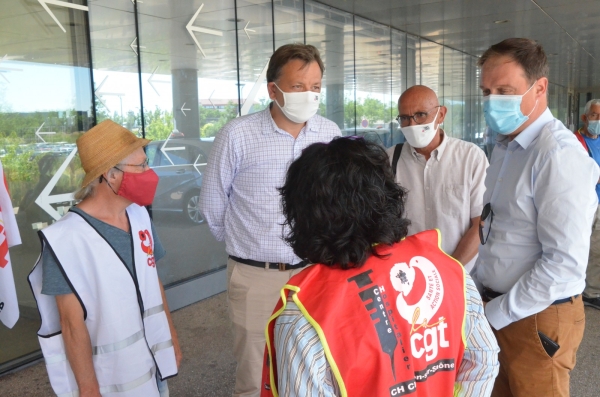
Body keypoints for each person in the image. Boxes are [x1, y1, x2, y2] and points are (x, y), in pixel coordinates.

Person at [261, 137, 499, 397]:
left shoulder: (306, 313)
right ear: (388, 196)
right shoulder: (450, 272)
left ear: (303, 215)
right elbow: (483, 360)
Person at [200, 43, 341, 397]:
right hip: (256, 277)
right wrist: (247, 246)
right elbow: (213, 205)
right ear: (273, 90)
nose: (308, 95)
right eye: (298, 86)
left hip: (316, 274)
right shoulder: (238, 134)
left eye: (315, 87)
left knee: (316, 370)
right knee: (255, 375)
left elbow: (340, 201)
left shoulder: (329, 134)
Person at [475, 38, 599, 397]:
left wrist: (496, 313)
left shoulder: (557, 155)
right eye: (486, 91)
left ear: (539, 87)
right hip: (498, 309)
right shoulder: (505, 146)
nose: (492, 101)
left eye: (504, 90)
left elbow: (563, 264)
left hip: (536, 317)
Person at [29, 120, 181, 397]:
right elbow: (71, 325)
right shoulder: (65, 239)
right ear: (110, 174)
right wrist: (88, 390)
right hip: (111, 384)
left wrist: (171, 340)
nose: (150, 173)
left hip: (153, 370)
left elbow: (152, 282)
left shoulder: (139, 216)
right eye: (142, 166)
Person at [387, 85, 488, 273]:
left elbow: (480, 224)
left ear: (440, 115)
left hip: (460, 276)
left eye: (420, 115)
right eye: (404, 118)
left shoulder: (470, 157)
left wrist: (449, 272)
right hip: (408, 277)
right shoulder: (389, 160)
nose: (412, 124)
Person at [574, 98, 600, 309]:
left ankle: (591, 289)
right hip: (583, 203)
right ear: (584, 117)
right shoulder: (575, 141)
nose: (597, 120)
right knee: (586, 247)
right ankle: (589, 292)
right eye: (594, 115)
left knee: (597, 248)